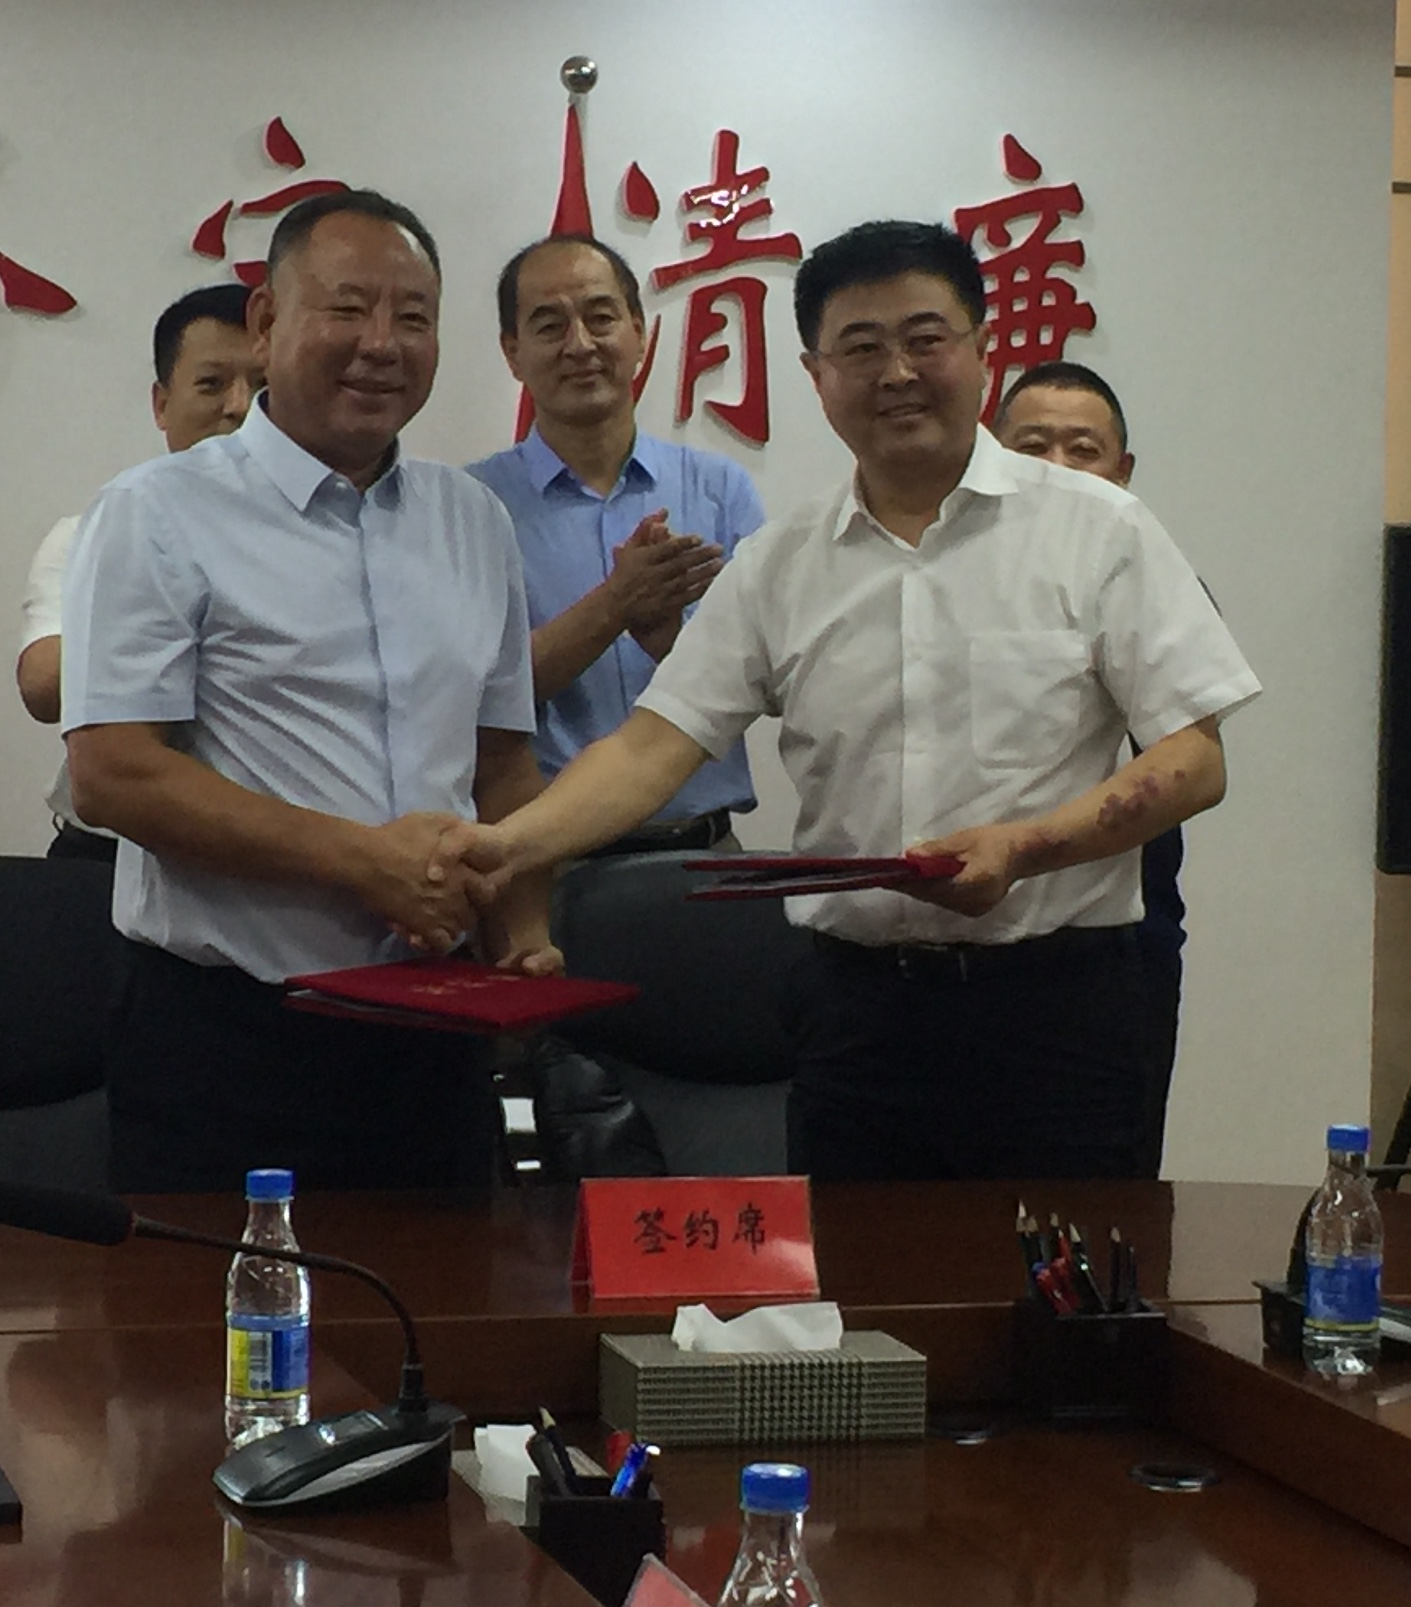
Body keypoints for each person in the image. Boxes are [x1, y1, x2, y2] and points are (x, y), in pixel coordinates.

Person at [449, 220, 1257, 1182]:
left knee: (1061, 1274)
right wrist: (506, 848)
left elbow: (1193, 760)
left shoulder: (1101, 530)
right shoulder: (782, 564)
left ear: (982, 348)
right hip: (856, 1016)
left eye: (925, 339)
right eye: (862, 348)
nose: (897, 373)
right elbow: (650, 749)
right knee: (853, 1273)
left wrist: (1024, 846)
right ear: (817, 375)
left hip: (1060, 1008)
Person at [62, 189, 548, 1192]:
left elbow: (501, 760)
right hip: (230, 1038)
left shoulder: (474, 520)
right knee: (225, 1299)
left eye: (413, 317)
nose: (382, 344)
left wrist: (524, 933)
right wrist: (363, 863)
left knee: (445, 1292)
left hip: (437, 1031)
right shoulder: (157, 512)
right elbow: (113, 775)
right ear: (265, 322)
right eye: (348, 308)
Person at [466, 235, 763, 851]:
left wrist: (671, 644)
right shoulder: (471, 506)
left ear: (639, 332)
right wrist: (616, 605)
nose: (580, 344)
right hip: (548, 862)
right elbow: (469, 699)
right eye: (550, 326)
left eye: (600, 317)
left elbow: (766, 680)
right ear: (512, 353)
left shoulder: (719, 490)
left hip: (709, 853)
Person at [996, 359, 1190, 1176]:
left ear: (1123, 470)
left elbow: (1185, 764)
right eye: (1033, 447)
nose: (1058, 469)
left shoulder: (1152, 585)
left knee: (1104, 1199)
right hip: (960, 946)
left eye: (1083, 450)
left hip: (1115, 945)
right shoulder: (942, 585)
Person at [17, 282, 263, 862]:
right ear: (161, 404)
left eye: (263, 386)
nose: (240, 407)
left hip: (270, 856)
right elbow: (43, 686)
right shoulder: (92, 534)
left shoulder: (328, 545)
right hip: (104, 857)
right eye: (212, 384)